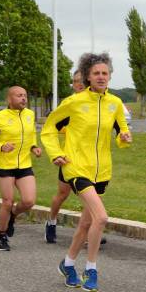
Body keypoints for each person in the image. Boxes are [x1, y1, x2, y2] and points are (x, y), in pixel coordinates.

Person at [41, 53, 132, 292]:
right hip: (76, 167)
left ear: (110, 75)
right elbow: (49, 128)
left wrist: (124, 138)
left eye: (105, 73)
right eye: (96, 73)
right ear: (87, 77)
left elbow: (123, 132)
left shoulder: (115, 103)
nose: (101, 77)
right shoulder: (74, 102)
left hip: (102, 171)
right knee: (101, 218)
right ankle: (91, 269)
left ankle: (68, 263)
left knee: (86, 223)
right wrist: (55, 153)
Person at [0, 86, 43, 251]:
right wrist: (0, 147)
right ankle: (2, 236)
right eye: (19, 95)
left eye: (25, 95)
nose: (23, 98)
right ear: (9, 99)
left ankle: (13, 215)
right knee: (7, 201)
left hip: (24, 164)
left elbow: (30, 134)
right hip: (5, 165)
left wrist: (34, 146)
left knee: (29, 201)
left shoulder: (29, 114)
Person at [44, 71, 85, 243]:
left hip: (91, 160)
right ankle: (51, 221)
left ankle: (88, 233)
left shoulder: (100, 102)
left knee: (90, 198)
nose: (79, 84)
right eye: (75, 82)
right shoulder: (69, 103)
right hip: (70, 158)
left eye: (82, 81)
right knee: (62, 194)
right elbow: (53, 125)